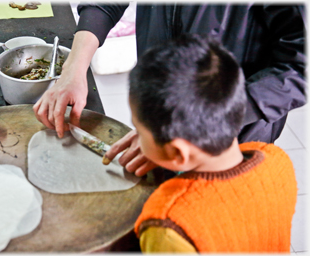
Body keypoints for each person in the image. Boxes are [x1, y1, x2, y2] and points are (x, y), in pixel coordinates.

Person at [33, 3, 306, 177]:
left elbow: (299, 68)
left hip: (234, 134)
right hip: (164, 125)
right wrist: (74, 66)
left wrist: (192, 125)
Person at [127, 34, 297, 253]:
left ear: (178, 152)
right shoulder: (276, 160)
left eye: (139, 131)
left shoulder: (168, 222)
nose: (136, 139)